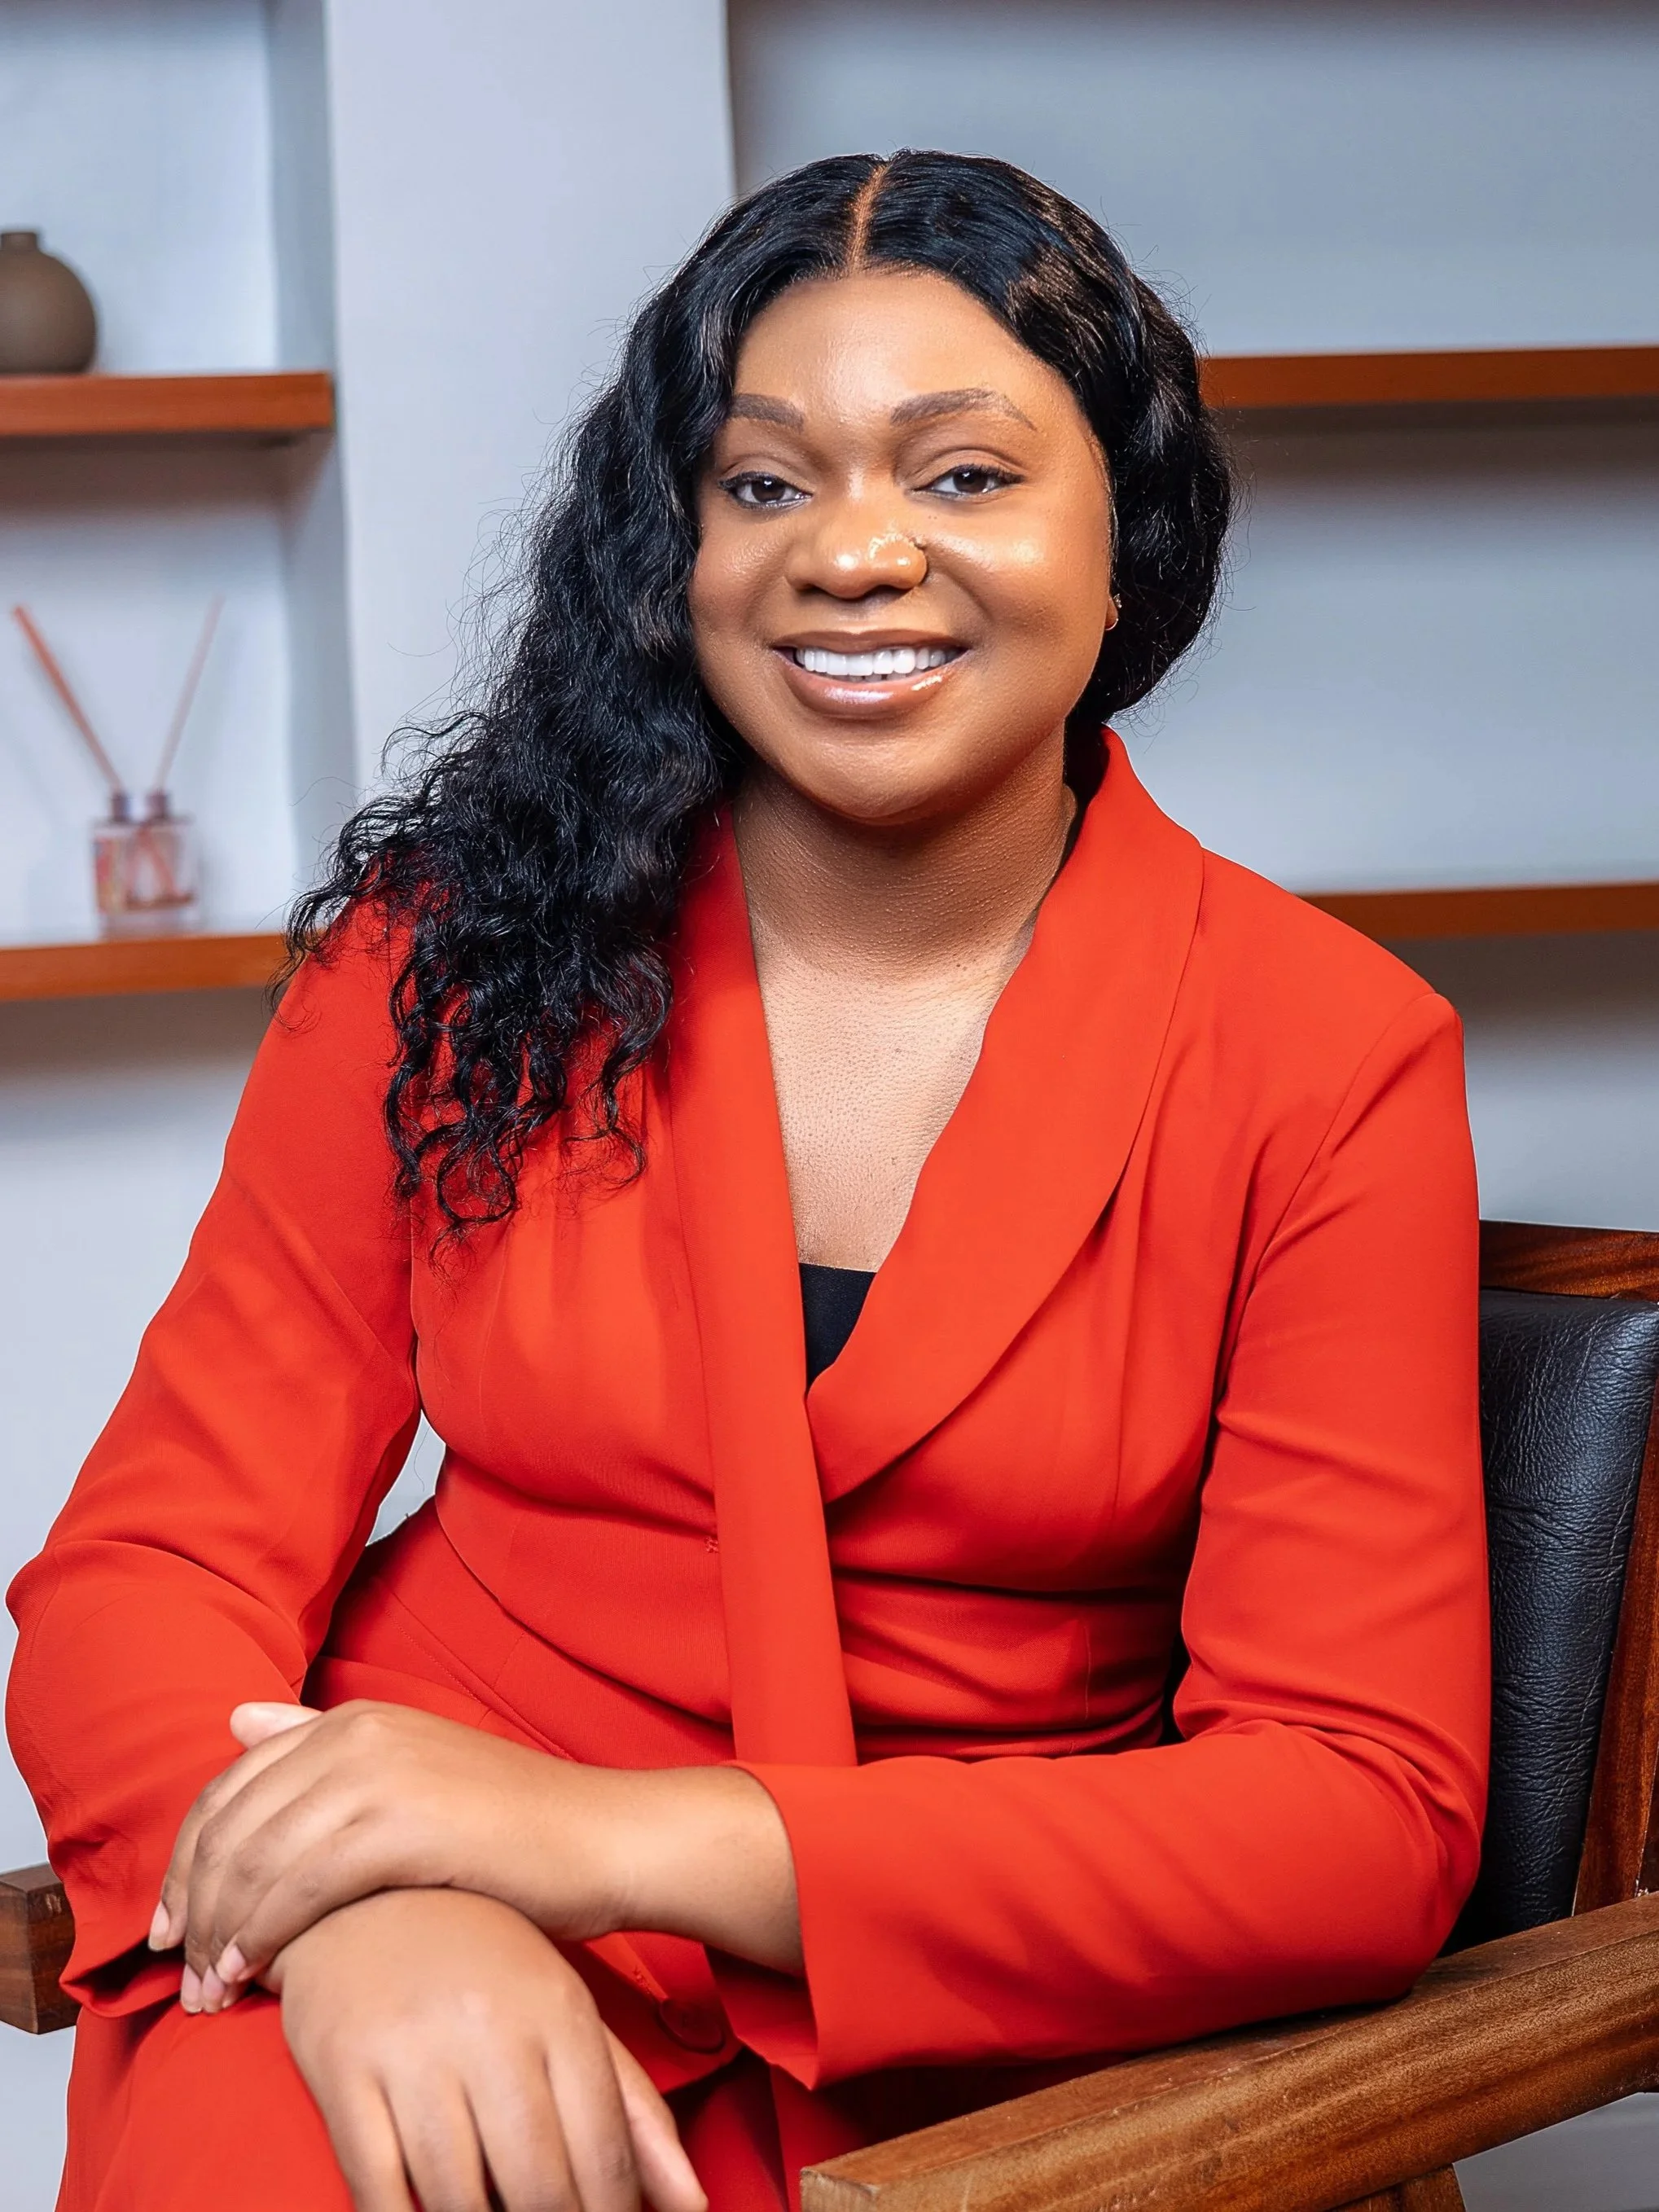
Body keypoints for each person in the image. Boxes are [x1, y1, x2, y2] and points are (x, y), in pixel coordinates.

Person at [7, 150, 1488, 2212]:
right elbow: (147, 1574)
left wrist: (590, 1836)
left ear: (1128, 544)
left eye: (964, 476)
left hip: (968, 2013)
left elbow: (1356, 1810)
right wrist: (358, 1908)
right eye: (766, 483)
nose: (853, 554)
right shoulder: (452, 956)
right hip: (403, 1935)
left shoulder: (1327, 1056)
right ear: (674, 554)